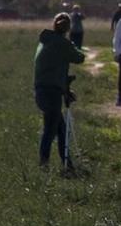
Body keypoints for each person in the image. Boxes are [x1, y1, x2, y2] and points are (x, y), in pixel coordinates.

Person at [34, 11, 85, 172]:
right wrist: (72, 44)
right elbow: (79, 57)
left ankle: (66, 162)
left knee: (61, 128)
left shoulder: (45, 41)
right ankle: (44, 163)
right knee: (50, 128)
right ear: (68, 28)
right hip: (53, 92)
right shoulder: (63, 44)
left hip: (40, 90)